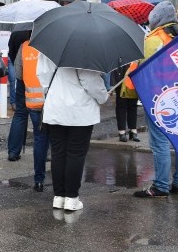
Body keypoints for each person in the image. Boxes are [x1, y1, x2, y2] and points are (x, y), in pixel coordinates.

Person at [134, 1, 178, 198]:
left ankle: (161, 186)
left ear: (157, 19)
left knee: (160, 143)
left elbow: (144, 70)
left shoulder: (154, 39)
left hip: (159, 97)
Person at [37, 51, 109, 212]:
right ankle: (71, 197)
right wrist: (104, 97)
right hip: (79, 110)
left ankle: (59, 196)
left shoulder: (48, 47)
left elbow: (42, 75)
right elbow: (89, 80)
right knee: (75, 153)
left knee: (58, 152)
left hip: (55, 107)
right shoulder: (86, 49)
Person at [10, 36, 51, 192]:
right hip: (54, 103)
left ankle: (38, 180)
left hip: (34, 102)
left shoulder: (25, 46)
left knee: (40, 140)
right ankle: (60, 181)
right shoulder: (56, 44)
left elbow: (19, 74)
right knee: (58, 142)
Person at [6, 30, 31, 162]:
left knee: (20, 114)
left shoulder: (17, 32)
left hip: (23, 75)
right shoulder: (45, 29)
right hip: (41, 79)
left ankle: (13, 151)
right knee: (42, 117)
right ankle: (45, 151)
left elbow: (12, 53)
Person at [113, 63, 140, 143]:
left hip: (133, 78)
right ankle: (122, 131)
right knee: (122, 105)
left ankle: (132, 130)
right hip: (121, 77)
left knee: (132, 106)